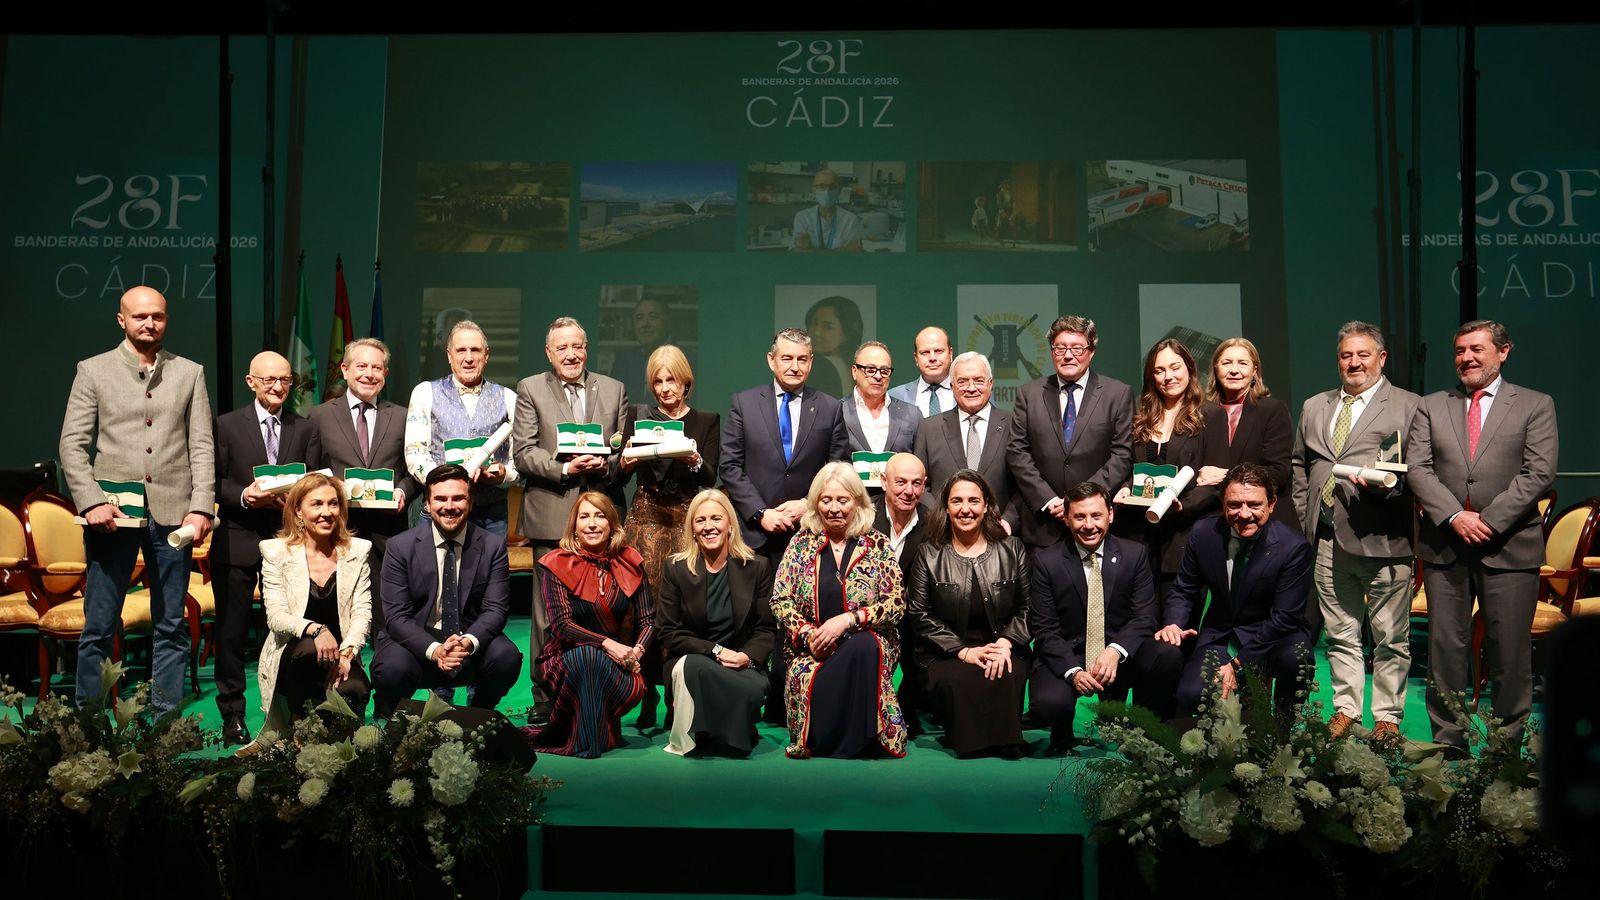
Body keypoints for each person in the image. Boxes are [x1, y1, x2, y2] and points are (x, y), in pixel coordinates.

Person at [59, 285, 214, 717]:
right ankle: (88, 723)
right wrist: (91, 502)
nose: (150, 323)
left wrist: (201, 506)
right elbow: (72, 445)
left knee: (170, 625)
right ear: (121, 320)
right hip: (112, 515)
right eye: (141, 316)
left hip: (174, 515)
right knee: (99, 624)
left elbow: (201, 446)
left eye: (158, 316)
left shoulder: (190, 372)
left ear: (167, 320)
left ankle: (164, 724)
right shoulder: (93, 370)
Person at [1408, 320, 1557, 752]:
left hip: (1509, 546)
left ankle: (1503, 749)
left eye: (1476, 349)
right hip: (1445, 547)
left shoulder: (1534, 403)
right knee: (1444, 655)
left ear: (1503, 352)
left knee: (1509, 656)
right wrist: (1454, 516)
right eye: (1459, 350)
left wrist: (1487, 521)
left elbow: (1539, 472)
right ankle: (1448, 744)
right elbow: (1418, 469)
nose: (1466, 358)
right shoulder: (1432, 405)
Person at [1290, 322, 1420, 745]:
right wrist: (1302, 509)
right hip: (1327, 539)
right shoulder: (1315, 406)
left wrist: (1391, 486)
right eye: (1346, 355)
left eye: (1363, 355)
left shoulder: (1408, 405)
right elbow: (1299, 464)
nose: (1354, 362)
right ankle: (1346, 709)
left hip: (1383, 539)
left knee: (1389, 636)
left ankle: (1386, 718)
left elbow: (1418, 471)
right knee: (1341, 633)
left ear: (1381, 359)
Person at [721, 328, 849, 724]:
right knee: (753, 619)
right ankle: (746, 698)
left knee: (802, 618)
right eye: (787, 358)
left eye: (803, 359)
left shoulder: (829, 407)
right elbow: (730, 466)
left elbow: (838, 469)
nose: (795, 366)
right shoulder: (744, 403)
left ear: (811, 362)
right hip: (755, 536)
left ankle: (790, 701)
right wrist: (761, 512)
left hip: (807, 535)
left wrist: (807, 504)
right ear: (771, 360)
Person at [511, 316, 632, 726]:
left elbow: (622, 455)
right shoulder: (530, 389)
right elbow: (523, 452)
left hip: (602, 514)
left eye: (577, 346)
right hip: (553, 513)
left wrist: (608, 463)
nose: (571, 354)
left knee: (601, 609)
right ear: (549, 353)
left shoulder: (614, 389)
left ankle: (597, 691)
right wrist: (565, 468)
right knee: (549, 614)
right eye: (561, 347)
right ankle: (545, 696)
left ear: (587, 349)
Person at [213, 350, 324, 746]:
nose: (278, 387)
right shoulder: (225, 426)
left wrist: (294, 500)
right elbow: (211, 481)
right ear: (251, 382)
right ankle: (232, 714)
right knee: (232, 631)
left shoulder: (306, 428)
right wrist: (244, 495)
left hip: (289, 542)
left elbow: (314, 482)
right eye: (269, 380)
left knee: (287, 630)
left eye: (285, 381)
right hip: (237, 539)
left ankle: (289, 712)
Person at [1029, 483, 1182, 754]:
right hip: (1070, 654)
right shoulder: (1046, 561)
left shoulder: (1134, 554)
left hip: (1118, 654)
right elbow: (1044, 629)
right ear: (1066, 518)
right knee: (1048, 703)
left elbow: (1144, 616)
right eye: (1079, 517)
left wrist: (1115, 650)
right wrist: (1072, 671)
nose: (1089, 525)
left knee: (1166, 656)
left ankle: (1143, 732)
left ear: (1110, 514)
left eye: (1096, 516)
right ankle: (1061, 734)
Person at [770, 462, 907, 759]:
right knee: (848, 652)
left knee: (864, 645)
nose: (834, 508)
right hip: (811, 648)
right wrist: (809, 635)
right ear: (815, 503)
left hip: (866, 641)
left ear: (857, 502)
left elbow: (896, 602)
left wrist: (849, 620)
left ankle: (850, 737)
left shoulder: (877, 544)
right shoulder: (800, 545)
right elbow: (780, 600)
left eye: (843, 500)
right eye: (826, 499)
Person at [1155, 463, 1312, 717]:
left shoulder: (1293, 547)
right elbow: (1184, 588)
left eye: (1254, 504)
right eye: (1234, 505)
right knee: (1190, 696)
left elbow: (1284, 618)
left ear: (1271, 504)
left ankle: (1283, 731)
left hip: (1275, 637)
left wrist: (1238, 664)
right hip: (1221, 634)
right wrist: (1174, 623)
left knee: (1296, 659)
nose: (1244, 513)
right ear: (1222, 503)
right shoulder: (1204, 533)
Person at [618, 344, 719, 728]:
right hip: (645, 518)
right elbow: (620, 476)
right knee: (640, 605)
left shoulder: (705, 421)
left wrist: (692, 458)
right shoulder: (638, 418)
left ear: (685, 381)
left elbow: (710, 478)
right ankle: (645, 691)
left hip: (686, 520)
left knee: (683, 606)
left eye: (671, 379)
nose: (664, 388)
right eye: (657, 381)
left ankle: (679, 692)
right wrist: (624, 462)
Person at [371, 464, 523, 718]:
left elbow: (496, 610)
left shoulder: (492, 546)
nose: (449, 506)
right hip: (417, 642)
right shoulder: (400, 547)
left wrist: (467, 642)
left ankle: (480, 711)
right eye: (440, 498)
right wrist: (435, 649)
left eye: (458, 498)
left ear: (470, 502)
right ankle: (390, 712)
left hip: (467, 640)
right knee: (390, 669)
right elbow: (396, 617)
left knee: (506, 657)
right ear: (427, 505)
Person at [905, 470, 1031, 758]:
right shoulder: (929, 553)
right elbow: (919, 614)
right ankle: (973, 740)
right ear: (946, 507)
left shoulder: (1013, 549)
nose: (965, 509)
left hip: (1000, 644)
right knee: (961, 679)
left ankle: (1003, 739)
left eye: (974, 501)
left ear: (986, 505)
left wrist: (1006, 644)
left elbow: (1028, 607)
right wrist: (962, 651)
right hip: (946, 651)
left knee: (1004, 671)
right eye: (957, 501)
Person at [527, 492, 654, 758]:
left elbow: (648, 620)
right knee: (588, 656)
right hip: (563, 657)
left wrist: (636, 651)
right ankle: (590, 741)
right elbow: (562, 625)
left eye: (600, 516)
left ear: (612, 525)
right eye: (584, 517)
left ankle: (589, 736)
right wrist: (610, 645)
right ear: (574, 526)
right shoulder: (557, 563)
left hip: (617, 660)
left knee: (594, 659)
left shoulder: (630, 560)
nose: (592, 524)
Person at [251, 473, 372, 745]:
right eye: (316, 504)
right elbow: (277, 617)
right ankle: (300, 727)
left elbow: (362, 614)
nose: (326, 512)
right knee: (307, 651)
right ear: (298, 511)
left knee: (357, 687)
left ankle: (342, 746)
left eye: (333, 504)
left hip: (341, 653)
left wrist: (346, 653)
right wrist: (316, 630)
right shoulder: (276, 552)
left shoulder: (357, 551)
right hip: (294, 654)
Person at [657, 489, 776, 756]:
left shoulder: (757, 567)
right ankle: (729, 730)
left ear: (730, 525)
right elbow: (667, 632)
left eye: (716, 519)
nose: (709, 527)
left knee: (755, 687)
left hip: (740, 662)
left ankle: (714, 728)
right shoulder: (675, 568)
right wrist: (716, 651)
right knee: (696, 666)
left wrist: (746, 657)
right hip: (693, 658)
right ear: (692, 529)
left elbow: (765, 628)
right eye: (700, 521)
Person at [1006, 315, 1134, 548]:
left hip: (1095, 523)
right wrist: (1048, 499)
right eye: (1060, 348)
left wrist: (1083, 502)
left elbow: (1122, 455)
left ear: (1092, 351)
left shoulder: (1118, 394)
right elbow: (1017, 452)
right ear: (1052, 351)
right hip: (1043, 524)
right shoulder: (1029, 394)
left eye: (1077, 348)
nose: (1067, 355)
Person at [1111, 339, 1216, 605]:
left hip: (1183, 536)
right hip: (1138, 536)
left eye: (1175, 367)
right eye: (1159, 370)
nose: (1168, 377)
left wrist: (1183, 506)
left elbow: (1213, 480)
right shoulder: (1139, 417)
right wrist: (1124, 486)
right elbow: (1128, 467)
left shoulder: (1210, 415)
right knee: (1139, 622)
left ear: (1190, 369)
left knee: (1176, 628)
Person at [404, 320, 520, 534]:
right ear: (449, 356)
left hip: (490, 515)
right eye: (461, 350)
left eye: (475, 350)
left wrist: (503, 476)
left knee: (487, 568)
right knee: (431, 568)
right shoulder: (424, 392)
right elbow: (415, 453)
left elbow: (518, 463)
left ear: (486, 355)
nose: (468, 358)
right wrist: (447, 485)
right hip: (440, 510)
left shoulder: (509, 398)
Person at [308, 338, 419, 557]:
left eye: (377, 368)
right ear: (345, 370)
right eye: (361, 366)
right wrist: (330, 484)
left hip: (388, 534)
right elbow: (309, 470)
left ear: (385, 374)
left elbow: (414, 471)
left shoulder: (403, 417)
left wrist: (403, 491)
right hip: (336, 532)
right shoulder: (319, 416)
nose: (369, 374)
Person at [913, 351, 1019, 531]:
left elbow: (1023, 484)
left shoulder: (1013, 424)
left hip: (999, 533)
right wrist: (942, 517)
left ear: (990, 384)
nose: (971, 388)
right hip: (944, 536)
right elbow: (920, 484)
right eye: (962, 381)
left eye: (978, 380)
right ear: (952, 386)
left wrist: (1008, 520)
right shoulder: (929, 428)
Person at [1198, 337, 1296, 529]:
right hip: (1212, 522)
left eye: (1242, 363)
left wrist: (1226, 476)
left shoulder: (1273, 410)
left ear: (1254, 371)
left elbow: (1278, 473)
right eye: (1226, 363)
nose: (1234, 370)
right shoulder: (1200, 413)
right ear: (1216, 370)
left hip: (1262, 523)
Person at [872, 453, 930, 735]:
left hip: (913, 616)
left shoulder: (935, 525)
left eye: (916, 484)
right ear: (884, 482)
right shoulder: (863, 520)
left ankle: (905, 706)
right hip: (868, 615)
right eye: (901, 482)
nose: (909, 491)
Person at [608, 295, 694, 406]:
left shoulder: (688, 360)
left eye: (653, 317)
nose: (645, 324)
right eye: (639, 318)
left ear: (667, 322)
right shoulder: (623, 361)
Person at [842, 340, 920, 457]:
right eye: (870, 370)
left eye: (884, 371)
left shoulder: (912, 415)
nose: (878, 376)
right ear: (854, 371)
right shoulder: (836, 412)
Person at [802, 295, 864, 398]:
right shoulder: (851, 365)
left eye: (827, 327)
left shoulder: (818, 365)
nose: (816, 332)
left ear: (847, 333)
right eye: (814, 323)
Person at [790, 167, 863, 253]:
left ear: (839, 190)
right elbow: (796, 251)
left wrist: (811, 249)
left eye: (832, 186)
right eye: (821, 186)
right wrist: (844, 250)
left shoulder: (850, 219)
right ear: (814, 190)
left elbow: (853, 253)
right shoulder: (803, 217)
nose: (827, 191)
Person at [889, 326, 956, 418]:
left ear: (950, 354)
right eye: (925, 352)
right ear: (916, 358)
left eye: (938, 351)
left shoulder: (968, 394)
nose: (932, 358)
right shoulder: (894, 397)